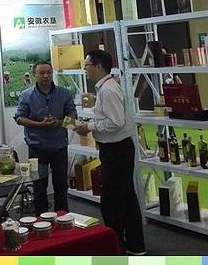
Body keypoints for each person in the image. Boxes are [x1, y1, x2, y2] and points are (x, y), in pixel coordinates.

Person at [74, 50, 146, 255]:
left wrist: (89, 127)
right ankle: (135, 245)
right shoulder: (108, 87)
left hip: (116, 150)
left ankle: (117, 248)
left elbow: (115, 122)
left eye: (87, 65)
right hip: (117, 149)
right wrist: (91, 124)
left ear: (98, 66)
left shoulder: (108, 90)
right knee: (126, 197)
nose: (85, 69)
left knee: (112, 201)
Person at [14, 60, 75, 214]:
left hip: (59, 146)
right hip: (37, 147)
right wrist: (39, 124)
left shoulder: (64, 93)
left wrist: (59, 122)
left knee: (61, 185)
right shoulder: (26, 95)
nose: (46, 76)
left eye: (49, 72)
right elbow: (19, 118)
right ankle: (41, 220)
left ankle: (63, 218)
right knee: (39, 186)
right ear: (34, 75)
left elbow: (73, 117)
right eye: (42, 73)